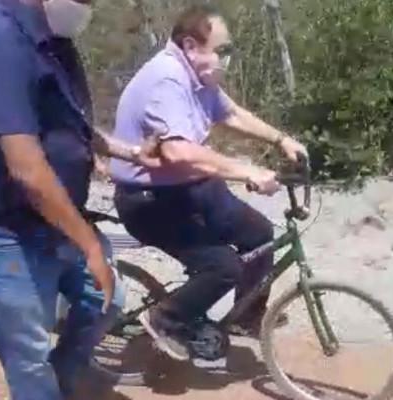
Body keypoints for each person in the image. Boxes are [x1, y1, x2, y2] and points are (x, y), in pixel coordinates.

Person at [110, 4, 308, 361]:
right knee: (222, 266)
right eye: (222, 49)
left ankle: (246, 316)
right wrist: (247, 171)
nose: (226, 57)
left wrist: (281, 140)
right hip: (149, 200)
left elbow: (230, 114)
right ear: (190, 46)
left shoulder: (198, 77)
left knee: (260, 235)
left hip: (191, 187)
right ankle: (166, 317)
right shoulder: (167, 80)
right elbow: (179, 152)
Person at [0, 0, 159, 399]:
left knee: (106, 301)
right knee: (29, 356)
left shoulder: (55, 41)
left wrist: (129, 152)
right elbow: (27, 169)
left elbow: (72, 125)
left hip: (62, 222)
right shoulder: (4, 39)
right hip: (12, 231)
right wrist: (90, 245)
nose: (89, 8)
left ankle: (64, 379)